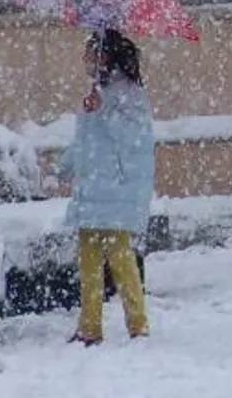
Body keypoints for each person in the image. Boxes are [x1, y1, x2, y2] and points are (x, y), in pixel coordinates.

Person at [57, 28, 156, 346]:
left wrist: (104, 110)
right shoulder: (95, 91)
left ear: (106, 55)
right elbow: (86, 139)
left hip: (116, 191)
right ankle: (89, 327)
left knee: (121, 260)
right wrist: (67, 165)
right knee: (87, 264)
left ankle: (137, 324)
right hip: (91, 190)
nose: (85, 57)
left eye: (91, 50)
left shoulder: (130, 94)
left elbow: (132, 140)